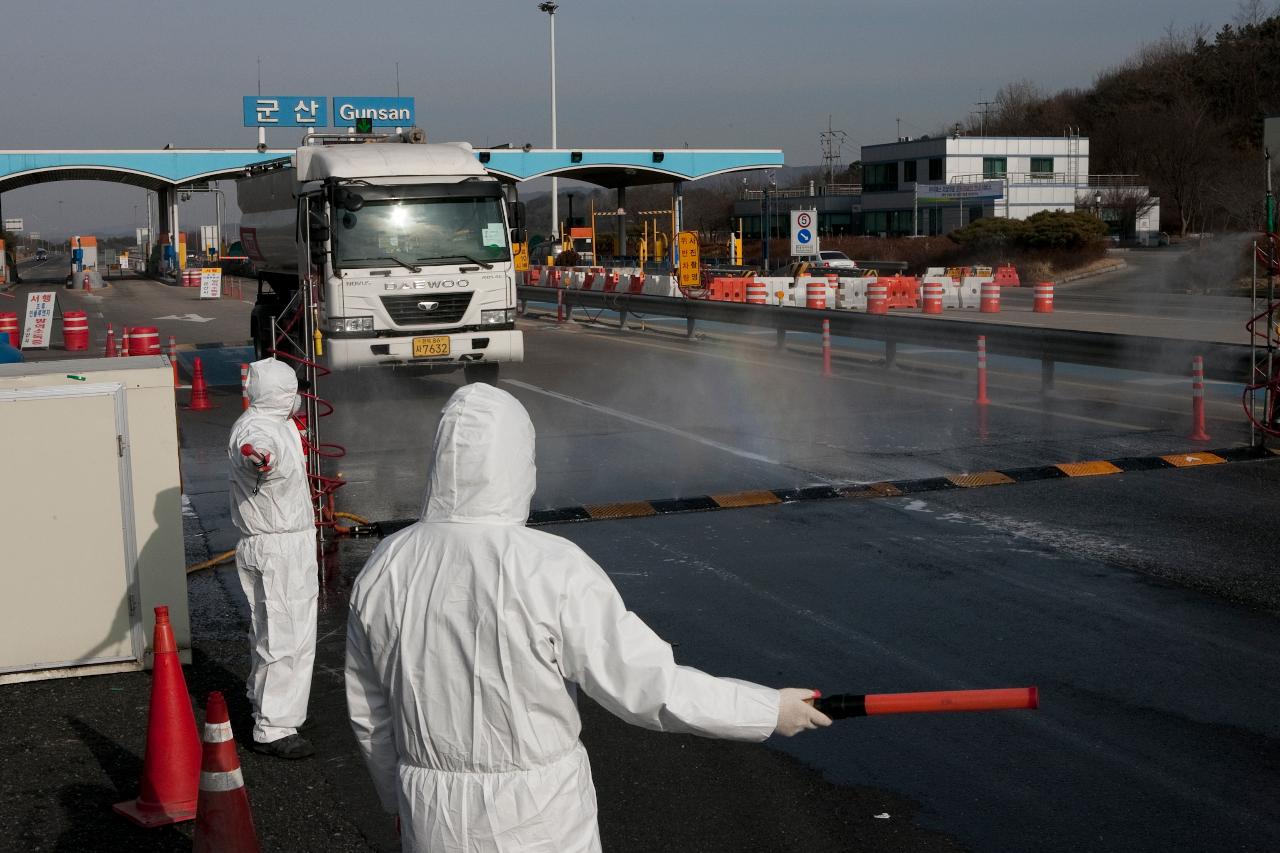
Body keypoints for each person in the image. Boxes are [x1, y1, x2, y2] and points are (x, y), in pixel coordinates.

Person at [345, 383, 830, 852]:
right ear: (517, 464)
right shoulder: (549, 566)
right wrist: (768, 710)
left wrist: (398, 801)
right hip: (538, 820)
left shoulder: (386, 565)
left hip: (433, 817)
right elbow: (649, 688)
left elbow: (371, 714)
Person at [228, 358, 318, 759]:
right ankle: (275, 728)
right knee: (287, 635)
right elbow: (256, 451)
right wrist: (259, 458)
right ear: (283, 393)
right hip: (278, 547)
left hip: (276, 543)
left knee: (269, 631)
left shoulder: (274, 421)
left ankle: (265, 703)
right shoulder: (259, 429)